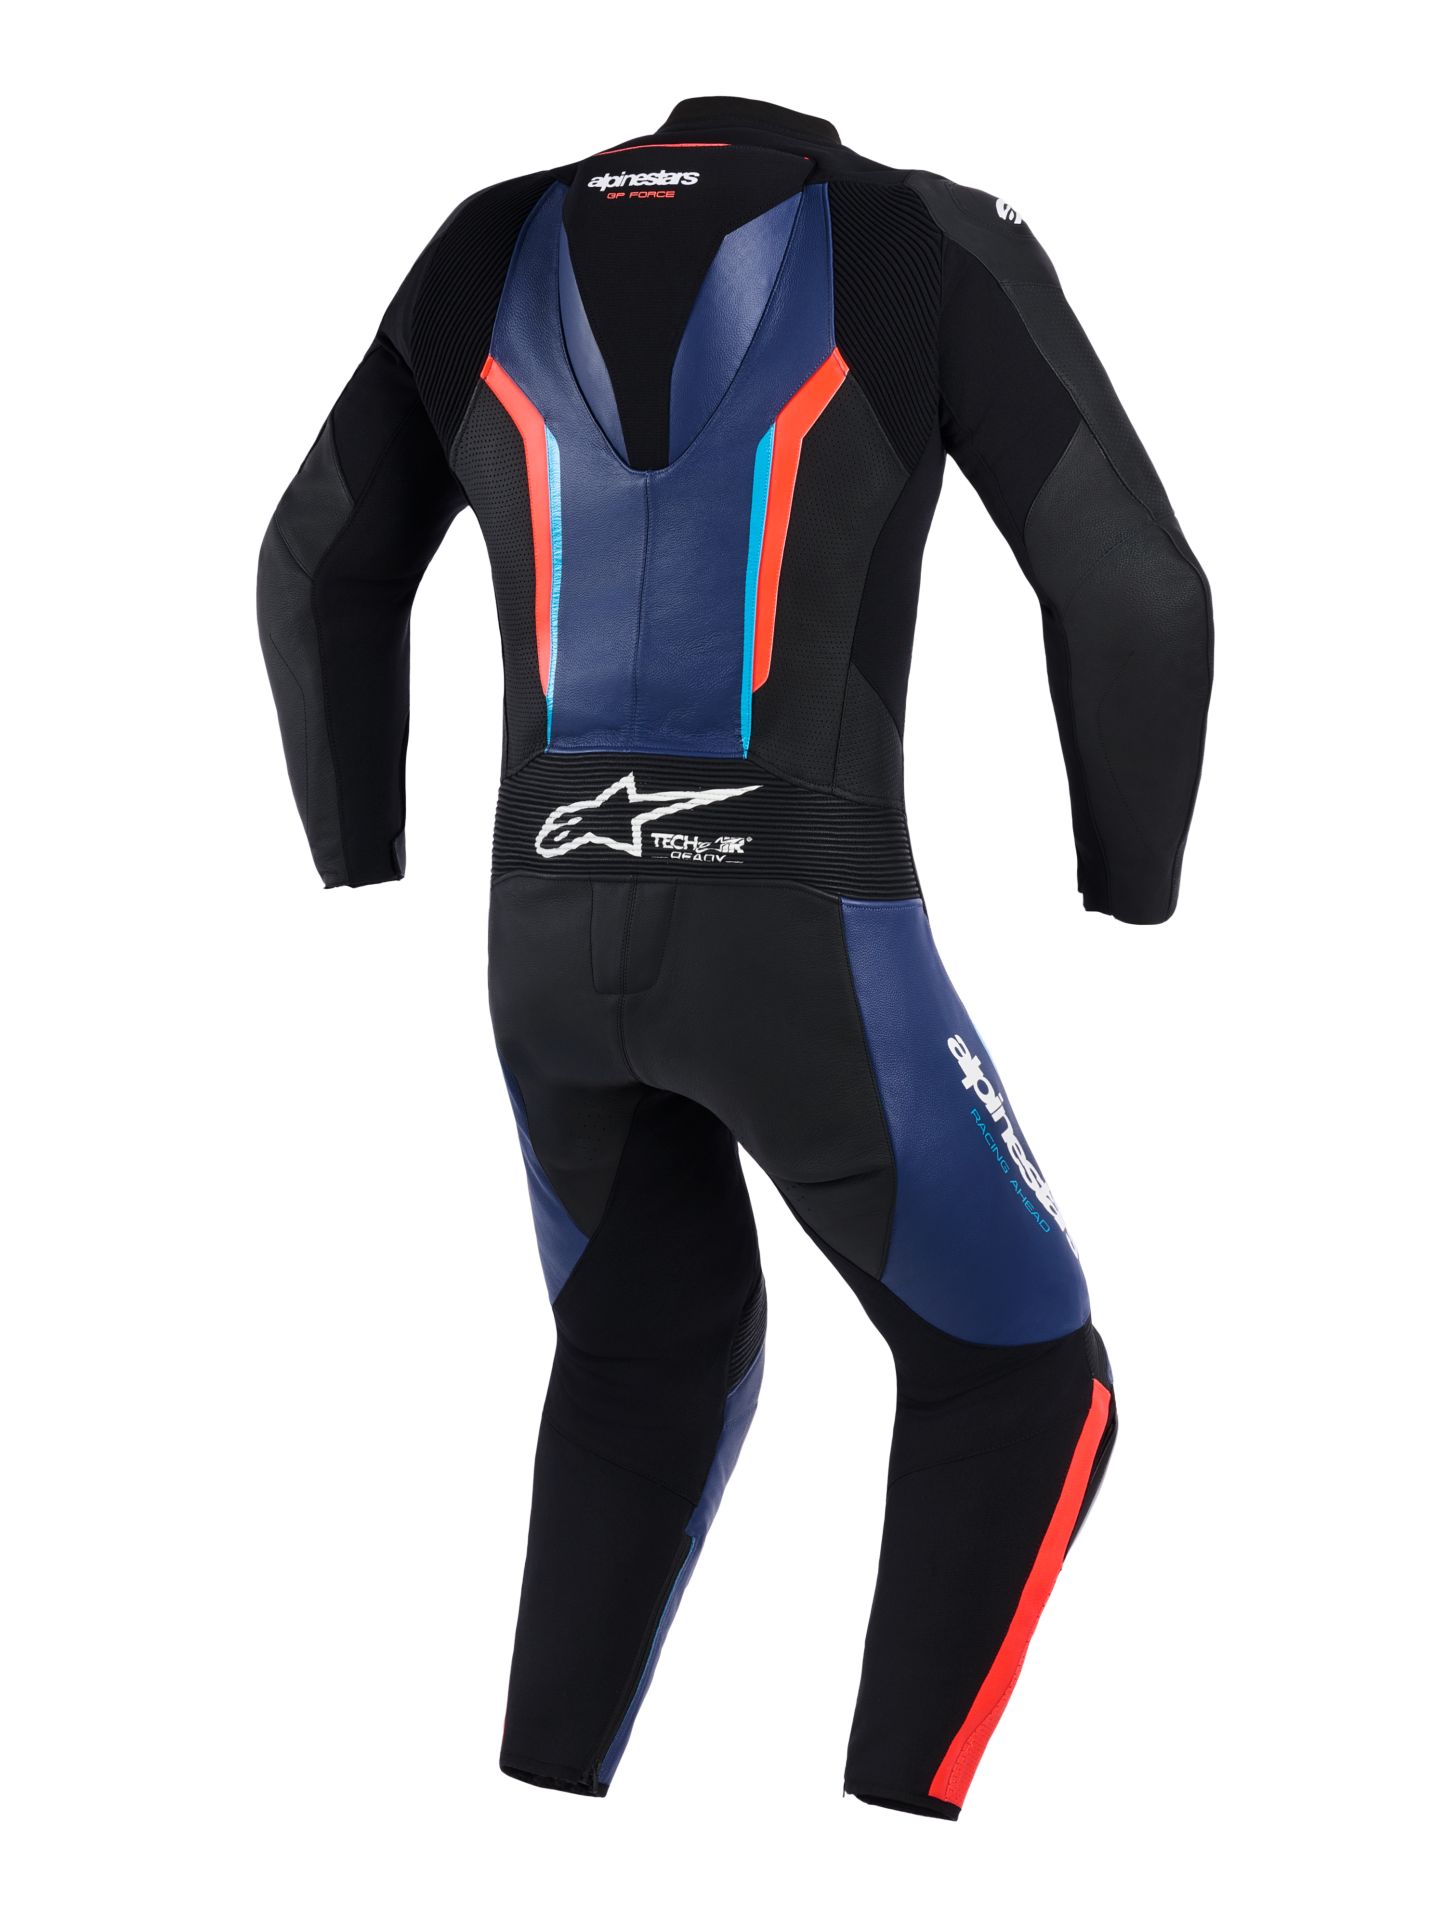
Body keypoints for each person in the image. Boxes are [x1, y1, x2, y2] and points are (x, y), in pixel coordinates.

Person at [257, 94, 1211, 1818]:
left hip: (543, 932)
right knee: (1022, 1372)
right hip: (806, 933)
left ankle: (541, 1802)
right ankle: (891, 1833)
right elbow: (1139, 591)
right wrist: (1129, 897)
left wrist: (356, 853)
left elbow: (315, 557)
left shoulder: (483, 243)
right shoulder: (914, 233)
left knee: (643, 1353)